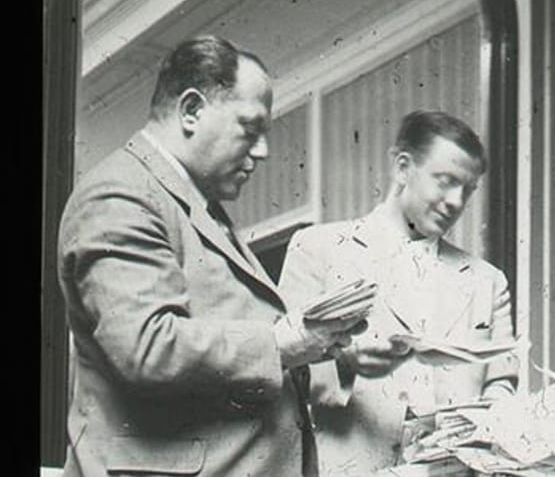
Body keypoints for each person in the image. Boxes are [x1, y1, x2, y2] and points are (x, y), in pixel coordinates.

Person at [57, 35, 366, 477]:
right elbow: (148, 347)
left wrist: (323, 349)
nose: (263, 151)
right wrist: (282, 343)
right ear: (192, 111)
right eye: (250, 128)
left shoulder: (192, 205)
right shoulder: (119, 195)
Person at [278, 110, 519, 476]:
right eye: (445, 181)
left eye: (467, 190)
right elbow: (278, 370)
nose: (456, 201)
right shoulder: (317, 248)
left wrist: (486, 425)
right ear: (403, 167)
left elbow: (501, 384)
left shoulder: (489, 281)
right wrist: (345, 364)